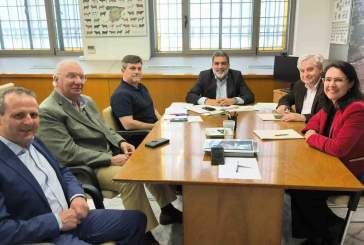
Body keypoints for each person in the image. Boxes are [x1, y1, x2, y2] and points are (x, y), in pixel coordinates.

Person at [37, 60, 182, 245]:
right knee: (130, 178)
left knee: (147, 163)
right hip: (84, 168)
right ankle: (144, 236)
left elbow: (105, 129)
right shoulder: (48, 111)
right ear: (55, 80)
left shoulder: (86, 100)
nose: (78, 81)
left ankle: (167, 209)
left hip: (107, 154)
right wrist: (110, 159)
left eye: (81, 77)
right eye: (71, 76)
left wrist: (121, 142)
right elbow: (67, 153)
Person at [0, 87, 146, 245]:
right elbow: (3, 231)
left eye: (34, 115)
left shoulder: (33, 141)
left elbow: (63, 171)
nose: (29, 121)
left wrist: (77, 196)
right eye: (18, 115)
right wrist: (57, 222)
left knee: (136, 221)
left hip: (74, 217)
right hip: (45, 234)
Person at [289, 61, 364, 245]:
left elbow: (338, 148)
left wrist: (313, 137)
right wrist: (312, 134)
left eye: (338, 80)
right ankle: (315, 233)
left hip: (349, 171)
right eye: (328, 79)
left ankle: (329, 231)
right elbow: (310, 126)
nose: (331, 84)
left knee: (302, 190)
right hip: (331, 161)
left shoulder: (356, 109)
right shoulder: (330, 103)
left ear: (351, 83)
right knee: (293, 184)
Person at [185, 50, 255, 106]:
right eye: (216, 63)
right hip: (210, 115)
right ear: (212, 65)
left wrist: (234, 100)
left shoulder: (236, 75)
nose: (220, 67)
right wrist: (207, 101)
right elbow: (190, 96)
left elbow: (250, 96)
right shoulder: (204, 75)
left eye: (223, 63)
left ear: (228, 65)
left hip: (230, 114)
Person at [111, 55, 161, 132]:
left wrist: (161, 121)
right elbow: (128, 124)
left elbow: (151, 108)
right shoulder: (121, 95)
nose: (137, 72)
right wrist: (155, 126)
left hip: (153, 130)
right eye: (133, 68)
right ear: (122, 71)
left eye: (139, 69)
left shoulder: (141, 87)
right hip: (140, 136)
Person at [276, 54, 325, 122]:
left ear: (320, 69)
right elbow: (287, 98)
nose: (306, 75)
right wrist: (283, 105)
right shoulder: (299, 85)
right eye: (302, 71)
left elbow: (325, 116)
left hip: (316, 129)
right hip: (299, 126)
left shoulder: (327, 88)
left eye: (310, 69)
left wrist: (303, 117)